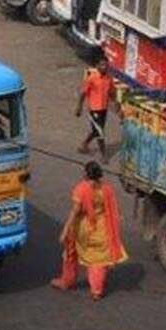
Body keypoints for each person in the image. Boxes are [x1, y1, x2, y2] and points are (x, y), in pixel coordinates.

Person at [51, 161, 128, 301]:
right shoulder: (106, 189)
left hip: (85, 229)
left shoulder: (81, 189)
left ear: (86, 173)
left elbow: (75, 212)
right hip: (103, 229)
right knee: (98, 261)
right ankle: (96, 291)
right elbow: (112, 210)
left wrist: (65, 230)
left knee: (69, 252)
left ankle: (66, 281)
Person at [76, 60, 114, 159]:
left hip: (104, 109)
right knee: (99, 132)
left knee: (96, 130)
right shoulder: (92, 78)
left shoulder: (109, 79)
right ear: (97, 66)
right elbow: (83, 93)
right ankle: (104, 154)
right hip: (94, 109)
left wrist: (117, 107)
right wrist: (79, 107)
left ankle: (84, 144)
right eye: (102, 65)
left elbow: (111, 93)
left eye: (106, 65)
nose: (104, 67)